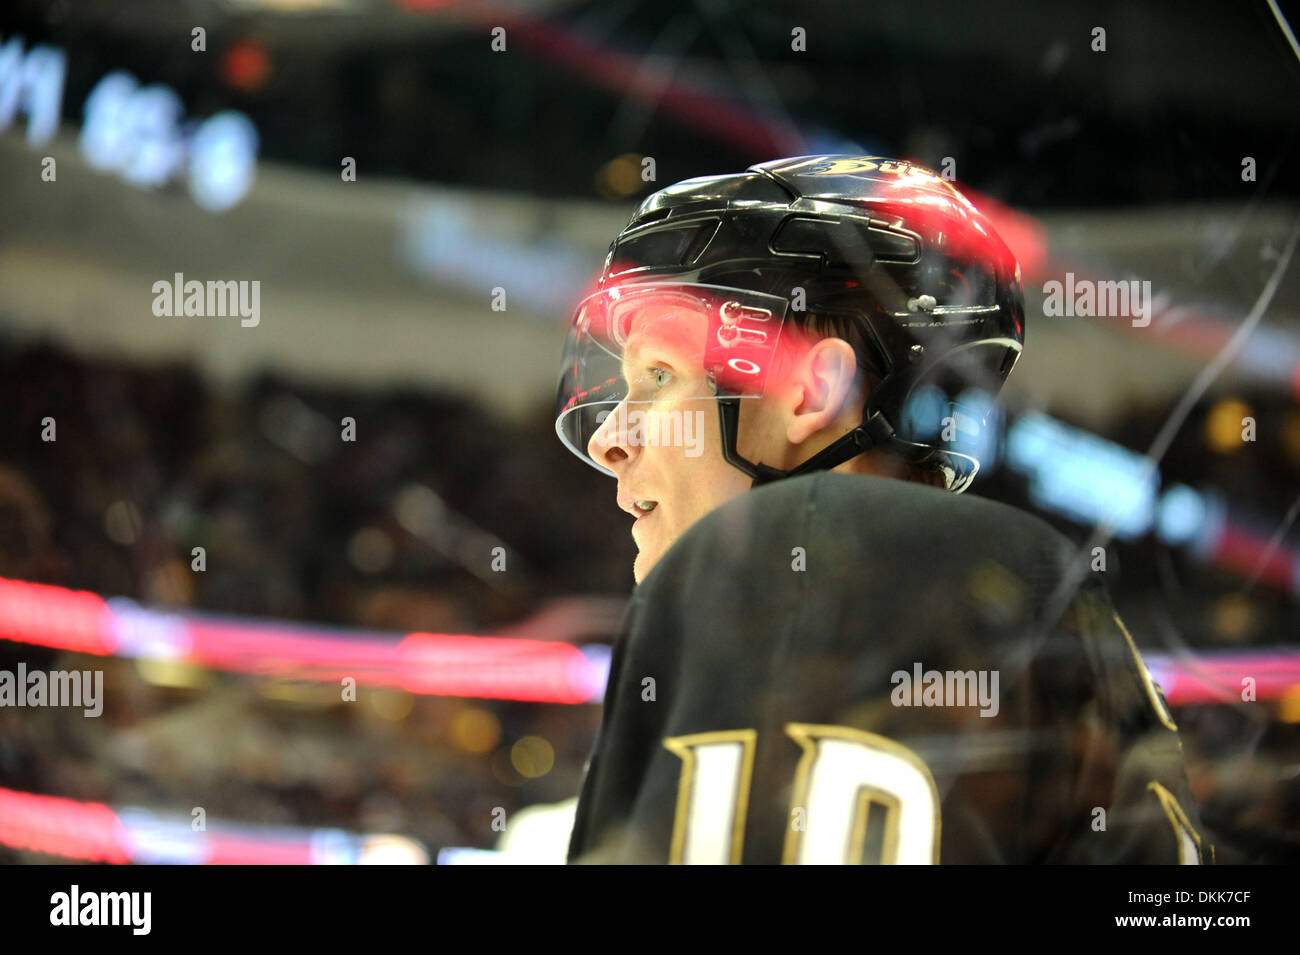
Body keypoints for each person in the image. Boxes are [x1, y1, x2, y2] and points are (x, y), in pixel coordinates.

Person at [553, 155, 1208, 864]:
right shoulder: (1044, 600)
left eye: (659, 375)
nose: (612, 437)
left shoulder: (707, 620)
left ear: (809, 392)